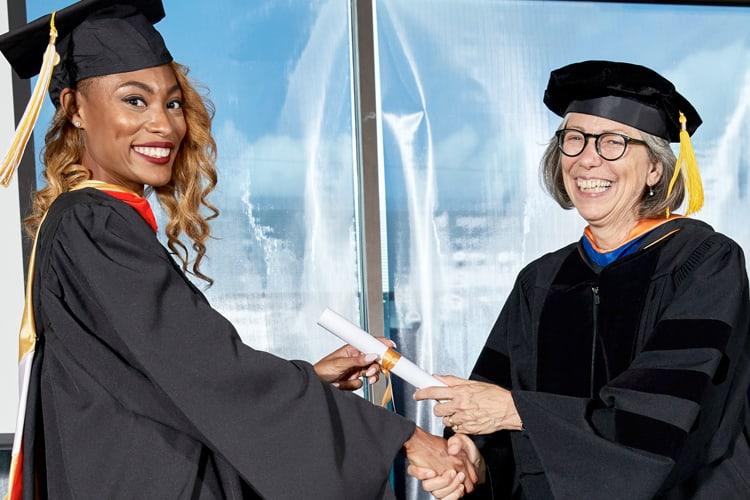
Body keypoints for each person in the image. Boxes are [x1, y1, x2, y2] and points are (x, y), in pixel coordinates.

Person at [0, 1, 477, 498]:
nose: (164, 125)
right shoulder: (94, 222)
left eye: (173, 103)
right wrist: (398, 435)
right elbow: (206, 367)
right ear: (75, 108)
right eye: (134, 101)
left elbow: (164, 372)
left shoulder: (89, 222)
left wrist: (309, 380)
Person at [409, 60, 750, 499]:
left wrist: (518, 412)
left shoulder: (705, 263)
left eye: (614, 142)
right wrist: (474, 456)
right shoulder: (541, 280)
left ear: (655, 170)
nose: (587, 158)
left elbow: (665, 414)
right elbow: (495, 399)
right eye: (574, 139)